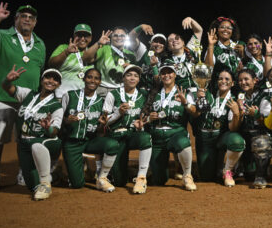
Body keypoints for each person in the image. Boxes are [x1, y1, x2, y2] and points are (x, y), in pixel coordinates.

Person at [0, 3, 46, 191]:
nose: (27, 19)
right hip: (1, 95)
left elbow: (38, 71)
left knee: (25, 139)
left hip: (28, 100)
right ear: (15, 19)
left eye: (31, 17)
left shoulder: (40, 43)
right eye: (23, 16)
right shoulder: (2, 35)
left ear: (35, 22)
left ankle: (22, 172)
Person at [1, 66, 63, 200]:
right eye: (48, 77)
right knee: (31, 185)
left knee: (36, 146)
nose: (51, 81)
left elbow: (54, 132)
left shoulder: (56, 105)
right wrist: (7, 80)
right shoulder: (28, 94)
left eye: (56, 79)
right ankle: (53, 176)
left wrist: (48, 128)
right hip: (24, 142)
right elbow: (7, 87)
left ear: (59, 84)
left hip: (46, 141)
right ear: (42, 80)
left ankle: (46, 184)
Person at [60, 67, 120, 192]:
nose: (93, 80)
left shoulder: (100, 101)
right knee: (77, 184)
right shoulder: (70, 95)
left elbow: (99, 131)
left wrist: (103, 125)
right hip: (72, 142)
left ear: (99, 82)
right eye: (89, 77)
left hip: (90, 141)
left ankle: (102, 178)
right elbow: (59, 121)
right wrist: (67, 120)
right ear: (84, 78)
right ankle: (77, 164)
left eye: (96, 78)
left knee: (112, 145)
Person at [145, 60, 197, 191]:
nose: (166, 75)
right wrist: (149, 118)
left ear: (175, 75)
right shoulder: (153, 93)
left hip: (175, 132)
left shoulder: (184, 91)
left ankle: (187, 175)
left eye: (169, 72)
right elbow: (142, 116)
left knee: (183, 142)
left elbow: (195, 112)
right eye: (163, 73)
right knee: (159, 180)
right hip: (157, 136)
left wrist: (185, 103)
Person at [102, 65, 153, 194]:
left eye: (136, 76)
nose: (132, 78)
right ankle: (121, 172)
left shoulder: (143, 95)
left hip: (132, 134)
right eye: (129, 75)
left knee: (145, 138)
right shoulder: (112, 94)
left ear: (139, 79)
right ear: (123, 78)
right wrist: (118, 113)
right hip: (116, 136)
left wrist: (143, 123)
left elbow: (144, 118)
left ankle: (141, 178)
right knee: (119, 182)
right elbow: (104, 121)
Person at [189, 68, 245, 186]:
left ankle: (228, 170)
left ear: (232, 83)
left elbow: (233, 129)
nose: (223, 81)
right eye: (220, 78)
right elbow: (194, 115)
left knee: (236, 140)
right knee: (206, 177)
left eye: (227, 79)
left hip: (220, 137)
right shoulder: (208, 94)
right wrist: (199, 100)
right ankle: (216, 163)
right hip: (204, 138)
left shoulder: (233, 100)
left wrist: (236, 114)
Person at [48, 24, 111, 98]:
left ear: (90, 38)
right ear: (74, 36)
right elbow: (51, 64)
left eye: (86, 36)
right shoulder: (64, 47)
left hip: (83, 98)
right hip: (62, 96)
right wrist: (66, 52)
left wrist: (99, 43)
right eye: (79, 35)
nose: (82, 38)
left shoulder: (92, 52)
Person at [236, 68, 265, 186]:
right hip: (246, 135)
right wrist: (238, 112)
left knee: (262, 141)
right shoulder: (239, 97)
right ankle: (240, 166)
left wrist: (256, 115)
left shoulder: (264, 95)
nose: (243, 82)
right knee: (249, 175)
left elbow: (267, 122)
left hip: (261, 133)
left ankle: (262, 173)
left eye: (246, 79)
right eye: (240, 80)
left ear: (255, 80)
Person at [91, 27, 139, 97]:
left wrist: (131, 68)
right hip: (102, 90)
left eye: (122, 36)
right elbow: (86, 58)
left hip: (122, 90)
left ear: (126, 38)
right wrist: (98, 43)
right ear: (111, 38)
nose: (119, 38)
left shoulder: (131, 55)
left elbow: (135, 75)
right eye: (115, 35)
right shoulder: (103, 49)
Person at [166, 17, 204, 91]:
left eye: (177, 38)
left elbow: (199, 31)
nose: (174, 40)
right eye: (170, 40)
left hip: (198, 92)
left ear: (183, 42)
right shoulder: (167, 62)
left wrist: (191, 20)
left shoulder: (191, 49)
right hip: (180, 95)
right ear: (169, 47)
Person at [204, 16, 244, 85]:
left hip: (238, 87)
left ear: (232, 31)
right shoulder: (213, 48)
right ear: (217, 30)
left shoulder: (240, 45)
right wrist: (211, 45)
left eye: (229, 28)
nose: (226, 30)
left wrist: (243, 55)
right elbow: (208, 70)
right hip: (220, 87)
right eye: (222, 27)